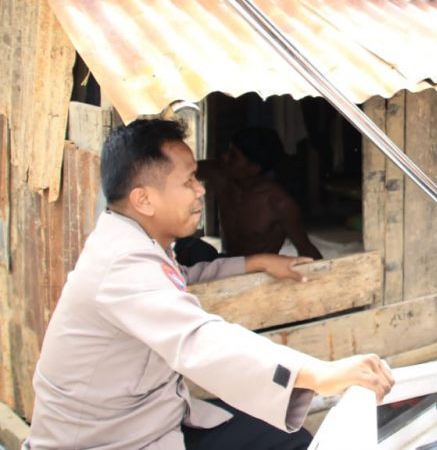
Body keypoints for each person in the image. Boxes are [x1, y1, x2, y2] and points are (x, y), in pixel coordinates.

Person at [24, 119, 394, 450]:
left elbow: (178, 280)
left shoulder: (133, 243)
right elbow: (199, 339)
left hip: (152, 422)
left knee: (285, 436)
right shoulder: (122, 264)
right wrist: (316, 373)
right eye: (187, 181)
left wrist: (257, 261)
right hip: (112, 441)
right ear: (144, 199)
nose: (200, 190)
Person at [198, 127, 323, 261]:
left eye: (233, 156)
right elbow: (183, 169)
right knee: (189, 246)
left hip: (257, 274)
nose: (224, 157)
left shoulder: (278, 202)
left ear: (253, 168)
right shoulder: (221, 177)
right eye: (228, 151)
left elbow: (305, 247)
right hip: (227, 263)